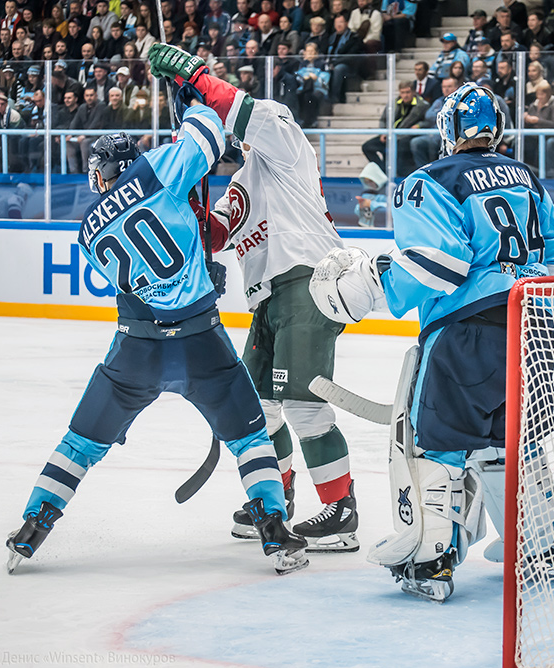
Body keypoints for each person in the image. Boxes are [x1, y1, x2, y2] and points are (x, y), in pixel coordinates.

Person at [308, 82, 554, 601]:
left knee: (437, 440)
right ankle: (543, 550)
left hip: (465, 334)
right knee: (512, 443)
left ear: (449, 131)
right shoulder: (527, 180)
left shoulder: (430, 179)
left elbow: (441, 264)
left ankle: (431, 559)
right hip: (533, 330)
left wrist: (380, 282)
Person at [5, 108, 308, 575]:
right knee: (251, 438)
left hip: (135, 353)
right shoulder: (156, 169)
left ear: (104, 172)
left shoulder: (87, 231)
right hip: (200, 345)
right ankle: (273, 528)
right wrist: (190, 101)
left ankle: (33, 527)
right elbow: (207, 128)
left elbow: (144, 281)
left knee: (80, 442)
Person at [148, 43, 361, 553]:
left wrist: (195, 78)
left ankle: (341, 511)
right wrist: (187, 202)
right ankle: (279, 497)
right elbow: (212, 237)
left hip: (308, 282)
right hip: (267, 299)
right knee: (258, 409)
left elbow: (239, 109)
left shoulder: (285, 140)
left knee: (305, 407)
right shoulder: (241, 181)